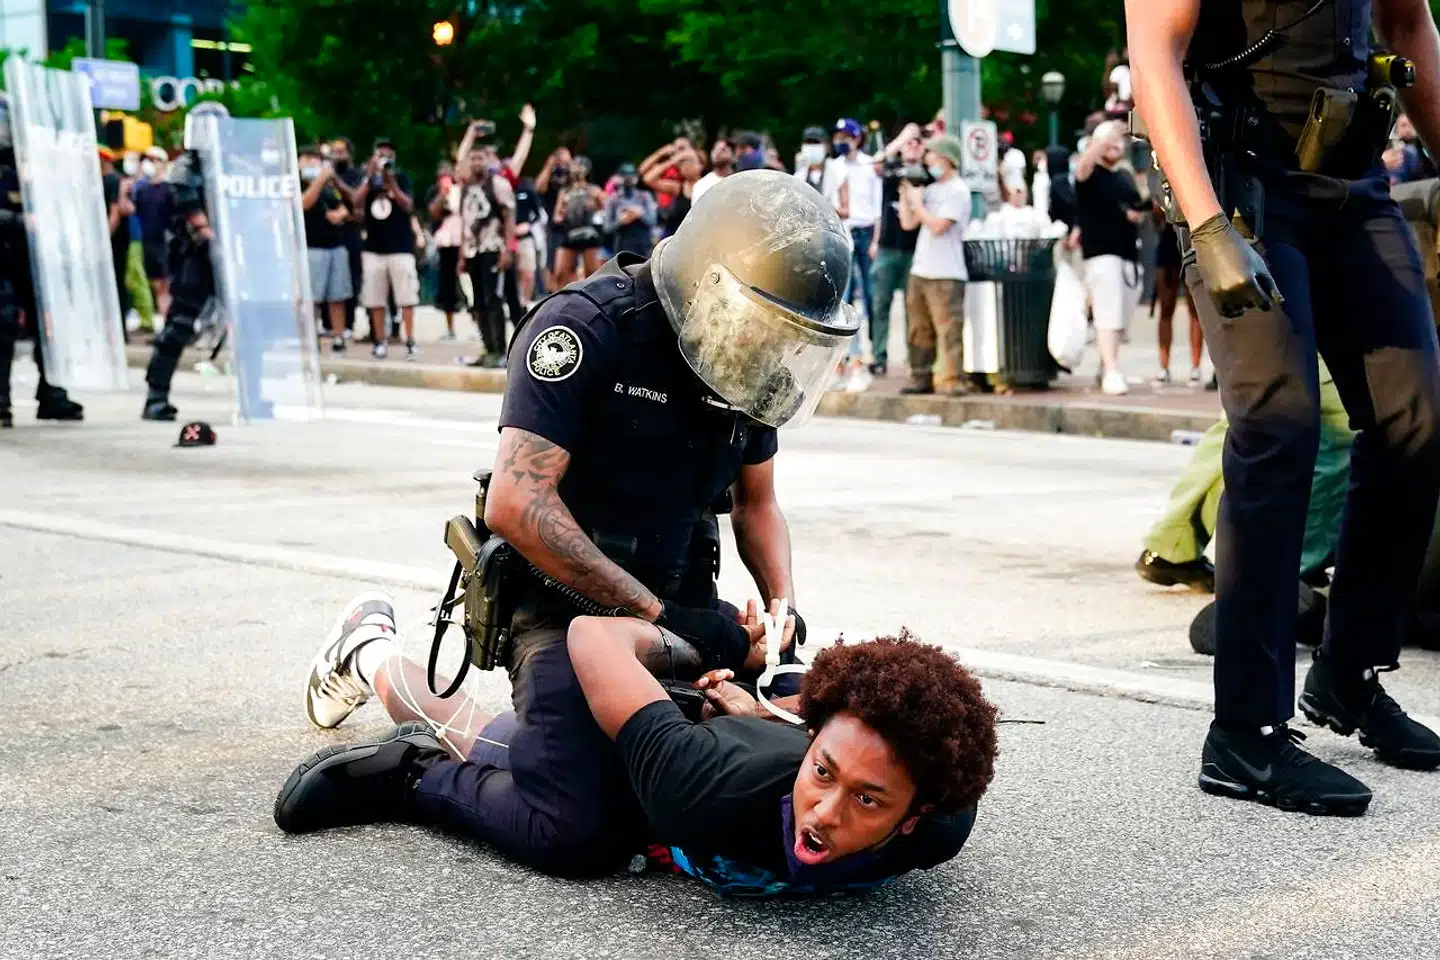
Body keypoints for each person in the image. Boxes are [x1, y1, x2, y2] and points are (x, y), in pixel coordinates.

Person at [1128, 0, 1440, 816]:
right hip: (1237, 179)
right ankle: (1244, 733)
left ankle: (1349, 675)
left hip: (1350, 180)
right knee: (1280, 425)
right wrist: (1207, 227)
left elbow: (1409, 24)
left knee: (1417, 420)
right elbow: (1154, 53)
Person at [276, 591, 996, 892]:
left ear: (913, 817)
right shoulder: (705, 785)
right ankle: (370, 657)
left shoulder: (941, 822)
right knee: (488, 748)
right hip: (614, 697)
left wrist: (758, 703)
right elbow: (592, 637)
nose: (826, 813)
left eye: (868, 801)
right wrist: (713, 651)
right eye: (824, 773)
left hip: (722, 734)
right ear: (809, 743)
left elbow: (842, 725)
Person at [142, 101, 230, 422]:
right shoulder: (185, 167)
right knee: (179, 325)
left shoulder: (233, 164)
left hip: (233, 253)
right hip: (195, 256)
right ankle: (157, 394)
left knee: (252, 324)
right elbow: (191, 210)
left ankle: (256, 393)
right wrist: (211, 237)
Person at [0, 92, 84, 427]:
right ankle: (0, 400)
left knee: (49, 323)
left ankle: (52, 393)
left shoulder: (28, 162)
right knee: (3, 321)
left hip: (30, 254)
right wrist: (21, 220)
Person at [1074, 120, 1146, 397]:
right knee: (1108, 312)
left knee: (1121, 315)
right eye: (1109, 141)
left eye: (1118, 142)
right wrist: (1103, 139)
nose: (1115, 145)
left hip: (1127, 252)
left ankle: (1106, 364)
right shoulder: (1089, 173)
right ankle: (1112, 370)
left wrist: (1137, 213)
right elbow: (1083, 167)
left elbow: (1136, 202)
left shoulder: (1122, 177)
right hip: (1101, 252)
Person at [899, 134, 971, 396]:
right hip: (921, 269)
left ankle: (953, 379)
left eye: (932, 155)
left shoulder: (958, 190)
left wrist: (918, 204)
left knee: (948, 329)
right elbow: (908, 223)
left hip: (947, 272)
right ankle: (920, 376)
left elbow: (939, 226)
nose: (928, 161)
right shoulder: (931, 190)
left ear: (947, 159)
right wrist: (907, 195)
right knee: (919, 328)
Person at [869, 123, 926, 379]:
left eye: (917, 142)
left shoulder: (927, 173)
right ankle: (879, 356)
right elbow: (875, 164)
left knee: (913, 308)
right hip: (888, 247)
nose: (913, 145)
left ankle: (913, 359)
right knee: (881, 304)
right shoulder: (892, 170)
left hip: (915, 250)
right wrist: (902, 139)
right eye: (909, 143)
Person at [354, 137, 419, 360]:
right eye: (381, 154)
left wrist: (392, 184)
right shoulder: (368, 180)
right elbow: (355, 201)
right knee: (375, 298)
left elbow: (408, 205)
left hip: (401, 247)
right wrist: (369, 177)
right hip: (374, 247)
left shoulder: (402, 178)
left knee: (406, 297)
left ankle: (410, 340)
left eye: (388, 154)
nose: (385, 158)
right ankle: (379, 340)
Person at [456, 136, 518, 367]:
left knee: (494, 300)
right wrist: (462, 255)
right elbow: (464, 221)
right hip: (472, 251)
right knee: (478, 302)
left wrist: (508, 250)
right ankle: (487, 347)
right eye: (472, 158)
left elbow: (509, 217)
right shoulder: (466, 188)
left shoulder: (498, 184)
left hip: (493, 247)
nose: (476, 163)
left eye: (480, 158)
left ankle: (500, 350)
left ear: (488, 160)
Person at [300, 145, 355, 354]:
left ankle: (338, 336)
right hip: (313, 247)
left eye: (315, 159)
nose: (312, 163)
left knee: (337, 296)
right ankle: (311, 335)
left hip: (336, 246)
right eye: (307, 159)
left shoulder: (329, 186)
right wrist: (319, 180)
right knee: (312, 297)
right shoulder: (298, 183)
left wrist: (341, 212)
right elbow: (304, 203)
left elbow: (345, 204)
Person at [1152, 209, 1201, 386]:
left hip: (1191, 242)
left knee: (1195, 310)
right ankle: (1164, 367)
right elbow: (1155, 218)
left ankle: (1196, 366)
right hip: (1168, 243)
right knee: (1166, 308)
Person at [328, 137, 365, 343]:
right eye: (334, 152)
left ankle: (348, 324)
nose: (337, 156)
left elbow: (355, 199)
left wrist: (336, 182)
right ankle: (328, 325)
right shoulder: (322, 174)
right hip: (328, 236)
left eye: (341, 152)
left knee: (350, 280)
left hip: (351, 236)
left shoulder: (356, 175)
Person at [551, 156, 606, 285]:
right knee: (561, 273)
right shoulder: (565, 192)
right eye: (574, 166)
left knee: (592, 274)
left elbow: (605, 211)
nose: (575, 169)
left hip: (589, 234)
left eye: (579, 166)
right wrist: (563, 214)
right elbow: (556, 216)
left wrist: (596, 211)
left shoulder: (594, 190)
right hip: (569, 233)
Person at [426, 163, 465, 341]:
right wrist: (443, 194)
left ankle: (480, 327)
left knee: (469, 285)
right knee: (447, 286)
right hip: (446, 244)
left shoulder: (463, 191)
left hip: (464, 242)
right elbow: (433, 213)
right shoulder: (435, 193)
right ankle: (450, 328)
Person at [134, 147, 172, 321]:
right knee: (157, 285)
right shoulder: (143, 190)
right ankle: (164, 320)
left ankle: (169, 320)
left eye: (153, 160)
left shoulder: (170, 189)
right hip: (149, 242)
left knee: (167, 285)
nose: (149, 164)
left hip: (166, 242)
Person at [644, 141, 702, 238]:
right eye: (683, 164)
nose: (687, 167)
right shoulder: (678, 187)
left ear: (701, 165)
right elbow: (648, 179)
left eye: (691, 162)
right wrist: (673, 160)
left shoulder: (708, 184)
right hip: (676, 237)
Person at [603, 163, 657, 258]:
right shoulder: (613, 200)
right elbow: (607, 228)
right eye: (625, 175)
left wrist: (639, 214)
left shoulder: (644, 196)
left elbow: (653, 221)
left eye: (631, 175)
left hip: (643, 246)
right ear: (618, 178)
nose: (628, 179)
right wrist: (621, 221)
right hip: (622, 247)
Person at [692, 137, 735, 204]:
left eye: (723, 149)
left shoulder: (740, 181)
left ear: (733, 155)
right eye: (715, 149)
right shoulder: (702, 185)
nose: (718, 152)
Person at [794, 126, 832, 194]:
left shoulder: (839, 172)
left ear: (827, 147)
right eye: (808, 142)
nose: (812, 146)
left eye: (816, 142)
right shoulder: (798, 177)